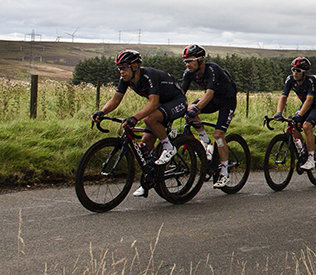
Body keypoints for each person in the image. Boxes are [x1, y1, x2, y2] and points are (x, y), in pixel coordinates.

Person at [92, 49, 188, 197]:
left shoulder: (149, 75)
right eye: (119, 68)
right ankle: (148, 181)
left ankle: (169, 147)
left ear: (135, 66)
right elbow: (116, 99)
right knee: (145, 144)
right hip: (162, 104)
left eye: (124, 67)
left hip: (177, 101)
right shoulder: (126, 79)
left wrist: (135, 117)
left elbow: (153, 103)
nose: (121, 71)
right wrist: (102, 112)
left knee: (149, 119)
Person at [179, 44, 238, 188]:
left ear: (200, 60)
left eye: (190, 60)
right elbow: (180, 95)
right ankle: (206, 144)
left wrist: (197, 108)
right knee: (189, 113)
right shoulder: (189, 73)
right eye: (185, 61)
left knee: (218, 135)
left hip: (227, 101)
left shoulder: (212, 69)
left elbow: (209, 93)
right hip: (213, 99)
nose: (188, 64)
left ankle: (224, 173)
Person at [273, 56, 316, 171]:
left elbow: (309, 100)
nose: (295, 73)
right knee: (293, 126)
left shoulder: (310, 80)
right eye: (293, 70)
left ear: (305, 72)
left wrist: (299, 115)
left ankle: (311, 160)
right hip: (306, 106)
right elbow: (283, 97)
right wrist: (278, 113)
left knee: (306, 126)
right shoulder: (290, 79)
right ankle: (303, 151)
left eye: (298, 71)